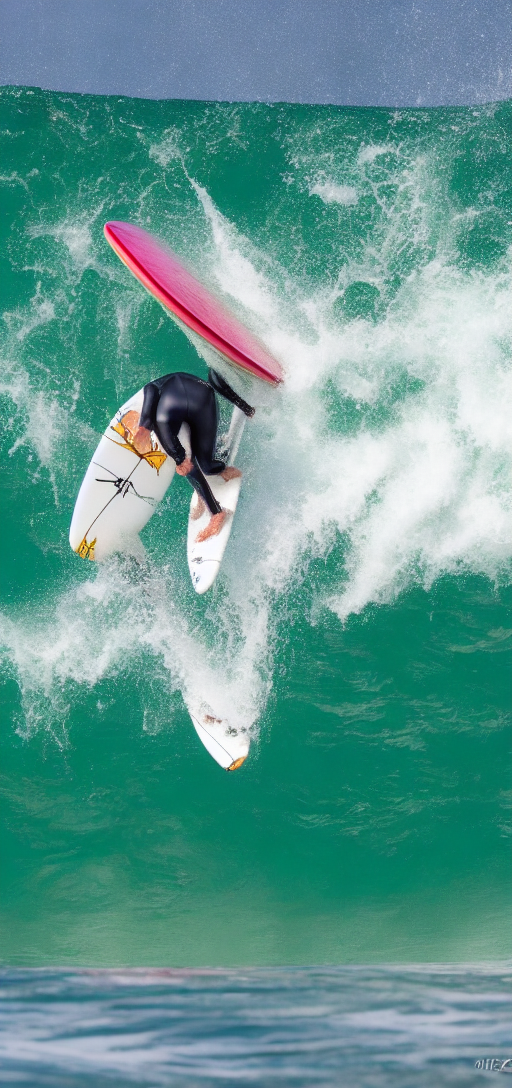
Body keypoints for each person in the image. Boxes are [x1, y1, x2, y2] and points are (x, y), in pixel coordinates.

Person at [128, 368, 254, 542]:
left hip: (204, 402)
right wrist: (143, 427)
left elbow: (186, 465)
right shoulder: (150, 392)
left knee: (202, 466)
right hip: (192, 388)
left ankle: (218, 513)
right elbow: (151, 390)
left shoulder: (162, 425)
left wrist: (180, 460)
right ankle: (205, 490)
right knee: (186, 456)